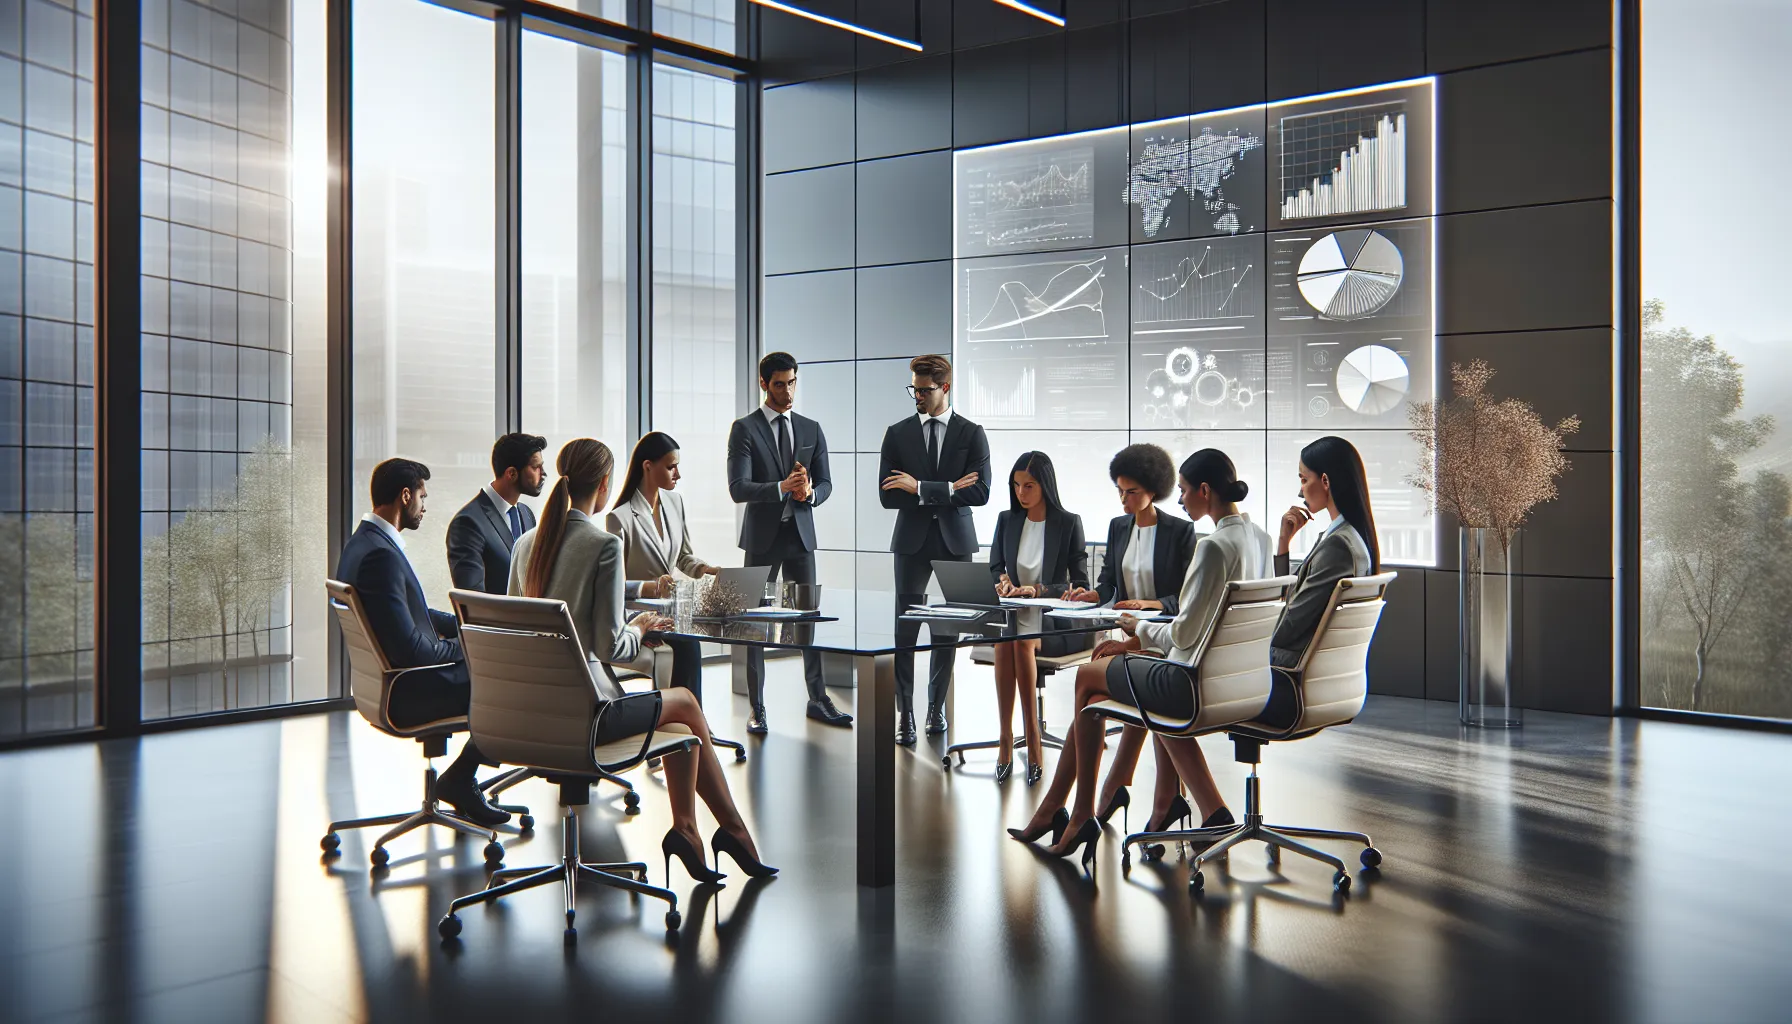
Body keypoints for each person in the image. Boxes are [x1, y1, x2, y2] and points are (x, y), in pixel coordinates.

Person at [511, 438, 775, 882]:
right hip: (589, 717)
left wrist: (637, 607)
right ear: (605, 484)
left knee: (678, 722)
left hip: (532, 715)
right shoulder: (603, 544)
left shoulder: (525, 544)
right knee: (687, 706)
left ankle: (690, 830)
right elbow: (613, 648)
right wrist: (641, 629)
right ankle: (729, 829)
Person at [1010, 450, 1270, 866]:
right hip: (1242, 677)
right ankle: (1185, 806)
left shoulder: (1212, 546)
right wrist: (1110, 607)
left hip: (1188, 676)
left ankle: (1077, 812)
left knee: (1088, 682)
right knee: (1103, 694)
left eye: (1184, 491)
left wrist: (1136, 630)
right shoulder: (1260, 538)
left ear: (1203, 490)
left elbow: (1185, 630)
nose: (1181, 499)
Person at [336, 457, 509, 827]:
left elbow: (413, 613)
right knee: (509, 684)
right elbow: (414, 651)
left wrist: (467, 626)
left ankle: (461, 781)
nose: (425, 506)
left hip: (387, 683)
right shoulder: (381, 555)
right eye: (422, 497)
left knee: (495, 671)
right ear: (404, 496)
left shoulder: (364, 544)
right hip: (409, 691)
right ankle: (460, 780)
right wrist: (469, 649)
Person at [1060, 443, 1197, 832]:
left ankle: (1111, 793)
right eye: (1119, 490)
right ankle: (1129, 792)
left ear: (1154, 490)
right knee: (1112, 683)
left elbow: (1188, 596)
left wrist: (1152, 603)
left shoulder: (1180, 531)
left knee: (1118, 690)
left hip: (1164, 636)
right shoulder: (1118, 527)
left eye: (1132, 491)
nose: (1124, 498)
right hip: (1125, 633)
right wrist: (1094, 595)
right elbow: (1108, 584)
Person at [725, 352, 851, 732]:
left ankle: (817, 698)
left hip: (800, 537)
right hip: (762, 540)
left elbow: (826, 483)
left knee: (807, 618)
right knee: (753, 624)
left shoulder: (811, 429)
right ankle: (757, 707)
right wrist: (783, 487)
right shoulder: (744, 429)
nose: (787, 390)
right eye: (779, 383)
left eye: (792, 382)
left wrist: (809, 494)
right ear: (763, 383)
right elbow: (738, 488)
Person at [877, 353, 992, 746]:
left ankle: (934, 707)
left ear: (945, 388)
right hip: (910, 541)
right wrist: (951, 489)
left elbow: (981, 492)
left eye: (924, 390)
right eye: (914, 389)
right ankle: (904, 713)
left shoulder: (972, 433)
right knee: (905, 629)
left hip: (955, 541)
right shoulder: (897, 433)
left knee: (949, 629)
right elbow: (887, 496)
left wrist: (922, 489)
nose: (917, 397)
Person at [987, 452, 1088, 785]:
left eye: (1028, 485)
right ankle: (1005, 739)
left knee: (1018, 644)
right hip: (1013, 613)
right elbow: (995, 566)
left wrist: (1036, 590)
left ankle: (1032, 740)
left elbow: (1080, 583)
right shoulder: (1007, 520)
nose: (1021, 493)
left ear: (1045, 485)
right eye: (1016, 485)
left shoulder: (1068, 523)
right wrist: (1002, 582)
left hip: (1051, 619)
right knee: (1006, 642)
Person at [1268, 436, 1380, 711]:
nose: (1300, 491)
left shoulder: (1338, 547)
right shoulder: (1350, 539)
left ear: (1326, 481)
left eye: (1304, 479)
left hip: (1289, 680)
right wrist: (1284, 545)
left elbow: (1288, 628)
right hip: (1317, 679)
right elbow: (1295, 606)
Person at [607, 431, 719, 699]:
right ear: (648, 466)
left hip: (670, 609)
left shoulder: (675, 502)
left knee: (690, 634)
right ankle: (687, 717)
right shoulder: (619, 518)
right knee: (687, 641)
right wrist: (651, 588)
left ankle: (688, 719)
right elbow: (613, 586)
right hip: (636, 613)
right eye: (671, 467)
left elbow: (683, 556)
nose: (677, 474)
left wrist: (705, 570)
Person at [446, 432, 546, 595]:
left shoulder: (526, 514)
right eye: (536, 467)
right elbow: (473, 599)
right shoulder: (468, 523)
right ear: (511, 474)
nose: (543, 474)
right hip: (495, 621)